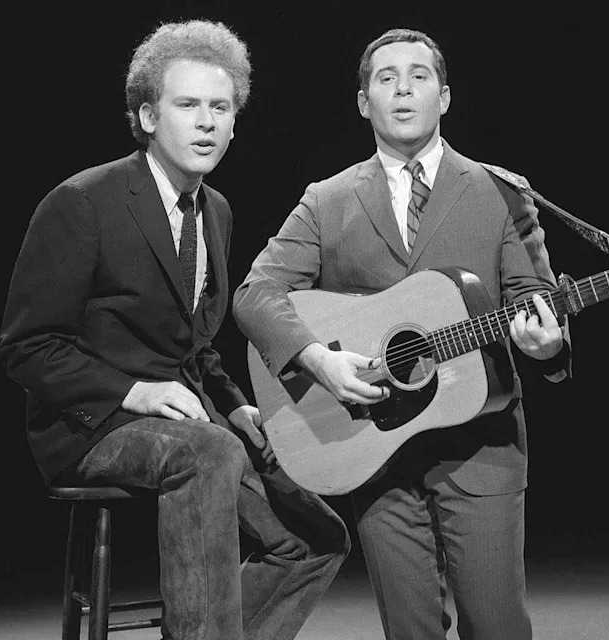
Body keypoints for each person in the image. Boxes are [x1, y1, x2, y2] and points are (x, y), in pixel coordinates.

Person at [0, 19, 348, 640]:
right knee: (210, 451)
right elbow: (28, 348)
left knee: (315, 537)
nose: (206, 122)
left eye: (221, 108)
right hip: (92, 424)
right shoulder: (83, 202)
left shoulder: (216, 211)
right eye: (188, 105)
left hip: (190, 421)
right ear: (148, 116)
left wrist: (236, 407)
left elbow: (195, 346)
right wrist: (135, 393)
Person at [233, 27, 571, 640]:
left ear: (445, 96)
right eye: (386, 79)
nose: (404, 90)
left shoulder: (500, 191)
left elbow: (535, 296)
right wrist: (316, 358)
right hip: (374, 447)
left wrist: (548, 345)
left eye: (419, 76)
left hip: (482, 445)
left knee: (496, 628)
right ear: (364, 103)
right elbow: (256, 294)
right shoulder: (327, 200)